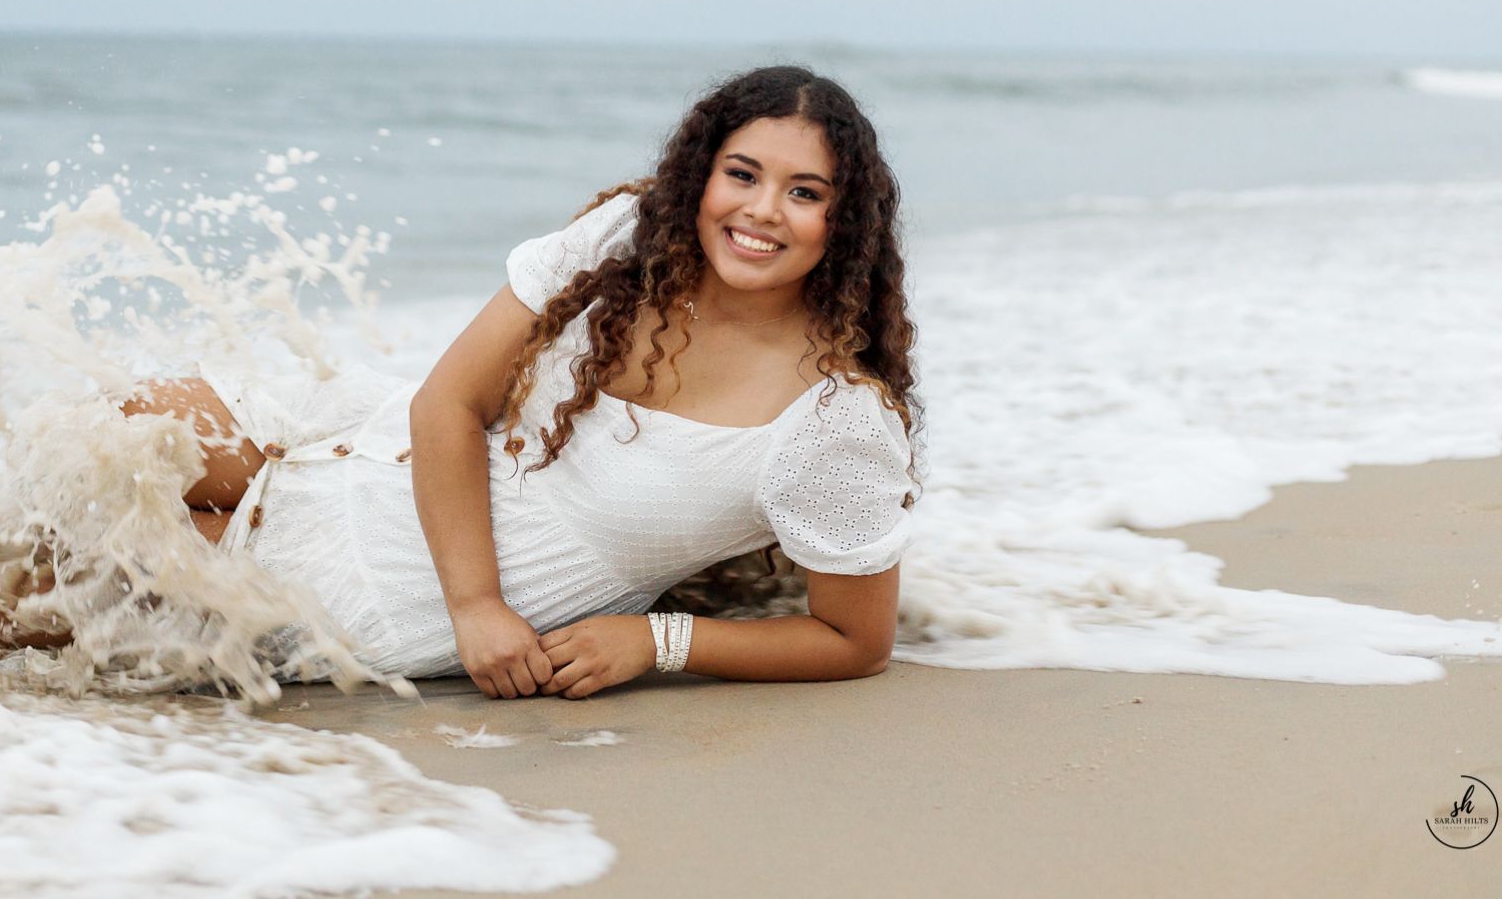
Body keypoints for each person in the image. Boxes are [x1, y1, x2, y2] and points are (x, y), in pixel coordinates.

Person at [111, 65, 921, 699]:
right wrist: (478, 601)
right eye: (742, 174)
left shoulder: (835, 419)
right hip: (397, 447)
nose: (764, 209)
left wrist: (656, 640)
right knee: (118, 435)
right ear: (702, 175)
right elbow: (451, 402)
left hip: (402, 583)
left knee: (59, 590)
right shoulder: (628, 240)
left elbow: (855, 642)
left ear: (842, 224)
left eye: (805, 193)